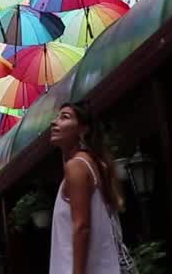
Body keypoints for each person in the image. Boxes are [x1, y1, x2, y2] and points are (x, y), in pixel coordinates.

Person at [48, 101, 131, 274]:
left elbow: (82, 227)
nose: (54, 122)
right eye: (57, 117)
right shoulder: (95, 164)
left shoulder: (77, 166)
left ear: (83, 130)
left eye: (64, 117)